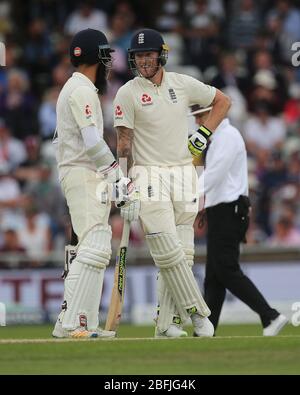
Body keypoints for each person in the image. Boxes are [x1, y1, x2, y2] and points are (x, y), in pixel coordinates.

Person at [113, 28, 231, 337]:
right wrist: (122, 181)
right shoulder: (127, 91)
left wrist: (203, 134)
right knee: (167, 250)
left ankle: (165, 324)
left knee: (184, 252)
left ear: (161, 54)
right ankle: (198, 314)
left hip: (184, 174)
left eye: (148, 54)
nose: (143, 61)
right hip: (148, 174)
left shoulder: (182, 83)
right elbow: (123, 142)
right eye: (138, 56)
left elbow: (222, 102)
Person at [52, 29, 136, 339]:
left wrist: (111, 179)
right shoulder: (81, 90)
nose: (109, 65)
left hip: (87, 174)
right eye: (106, 57)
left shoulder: (78, 87)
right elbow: (92, 141)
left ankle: (75, 321)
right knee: (96, 244)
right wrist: (118, 178)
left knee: (88, 248)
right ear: (95, 58)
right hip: (82, 173)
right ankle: (73, 324)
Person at [190, 103, 289, 336]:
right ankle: (207, 330)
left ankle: (270, 315)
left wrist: (187, 196)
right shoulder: (220, 138)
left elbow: (214, 174)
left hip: (229, 211)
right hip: (223, 211)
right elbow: (212, 175)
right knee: (214, 276)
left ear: (213, 114)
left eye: (200, 116)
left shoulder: (228, 137)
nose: (196, 122)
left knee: (225, 270)